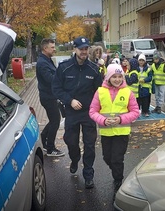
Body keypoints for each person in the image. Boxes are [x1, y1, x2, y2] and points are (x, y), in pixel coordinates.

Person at [52, 36, 103, 189]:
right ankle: (74, 159)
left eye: (86, 49)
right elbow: (56, 89)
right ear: (74, 49)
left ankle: (88, 174)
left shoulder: (94, 69)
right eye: (81, 49)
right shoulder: (64, 67)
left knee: (89, 145)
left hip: (88, 113)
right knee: (71, 141)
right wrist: (70, 100)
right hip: (71, 112)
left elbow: (99, 92)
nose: (84, 51)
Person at [89, 63, 139, 196]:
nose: (117, 79)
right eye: (114, 76)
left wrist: (121, 119)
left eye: (119, 76)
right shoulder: (100, 92)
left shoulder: (127, 92)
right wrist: (104, 120)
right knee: (107, 157)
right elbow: (93, 111)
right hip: (106, 132)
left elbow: (135, 112)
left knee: (117, 158)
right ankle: (116, 170)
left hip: (122, 132)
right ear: (108, 78)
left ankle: (118, 180)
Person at [36, 38, 65, 157]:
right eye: (52, 47)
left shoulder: (47, 60)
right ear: (45, 48)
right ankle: (50, 148)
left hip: (51, 96)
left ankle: (43, 140)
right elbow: (51, 80)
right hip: (48, 97)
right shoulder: (42, 63)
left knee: (53, 120)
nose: (54, 49)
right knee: (55, 121)